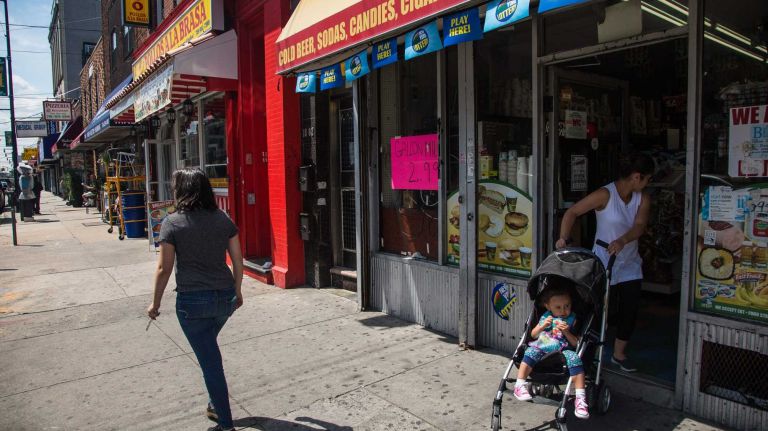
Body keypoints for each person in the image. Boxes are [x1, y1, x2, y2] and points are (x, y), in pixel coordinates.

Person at [146, 168, 244, 431]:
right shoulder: (223, 218)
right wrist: (238, 291)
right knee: (209, 349)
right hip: (225, 299)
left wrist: (155, 304)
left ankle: (226, 425)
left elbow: (164, 268)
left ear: (182, 190)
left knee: (211, 364)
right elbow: (237, 260)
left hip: (192, 304)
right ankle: (215, 405)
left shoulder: (172, 222)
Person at [555, 153, 654, 372]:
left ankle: (619, 355)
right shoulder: (605, 194)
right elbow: (573, 212)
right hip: (602, 262)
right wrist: (564, 237)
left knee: (630, 309)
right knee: (598, 310)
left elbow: (639, 226)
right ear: (637, 177)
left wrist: (623, 240)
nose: (648, 183)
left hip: (629, 263)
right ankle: (585, 350)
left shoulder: (642, 198)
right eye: (647, 179)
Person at [513, 285, 590, 419]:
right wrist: (542, 326)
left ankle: (580, 399)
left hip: (563, 350)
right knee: (530, 352)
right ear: (548, 306)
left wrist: (566, 331)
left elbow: (575, 343)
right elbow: (533, 334)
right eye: (558, 307)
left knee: (575, 359)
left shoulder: (573, 319)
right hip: (543, 347)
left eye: (567, 306)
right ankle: (519, 385)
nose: (564, 311)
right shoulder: (545, 317)